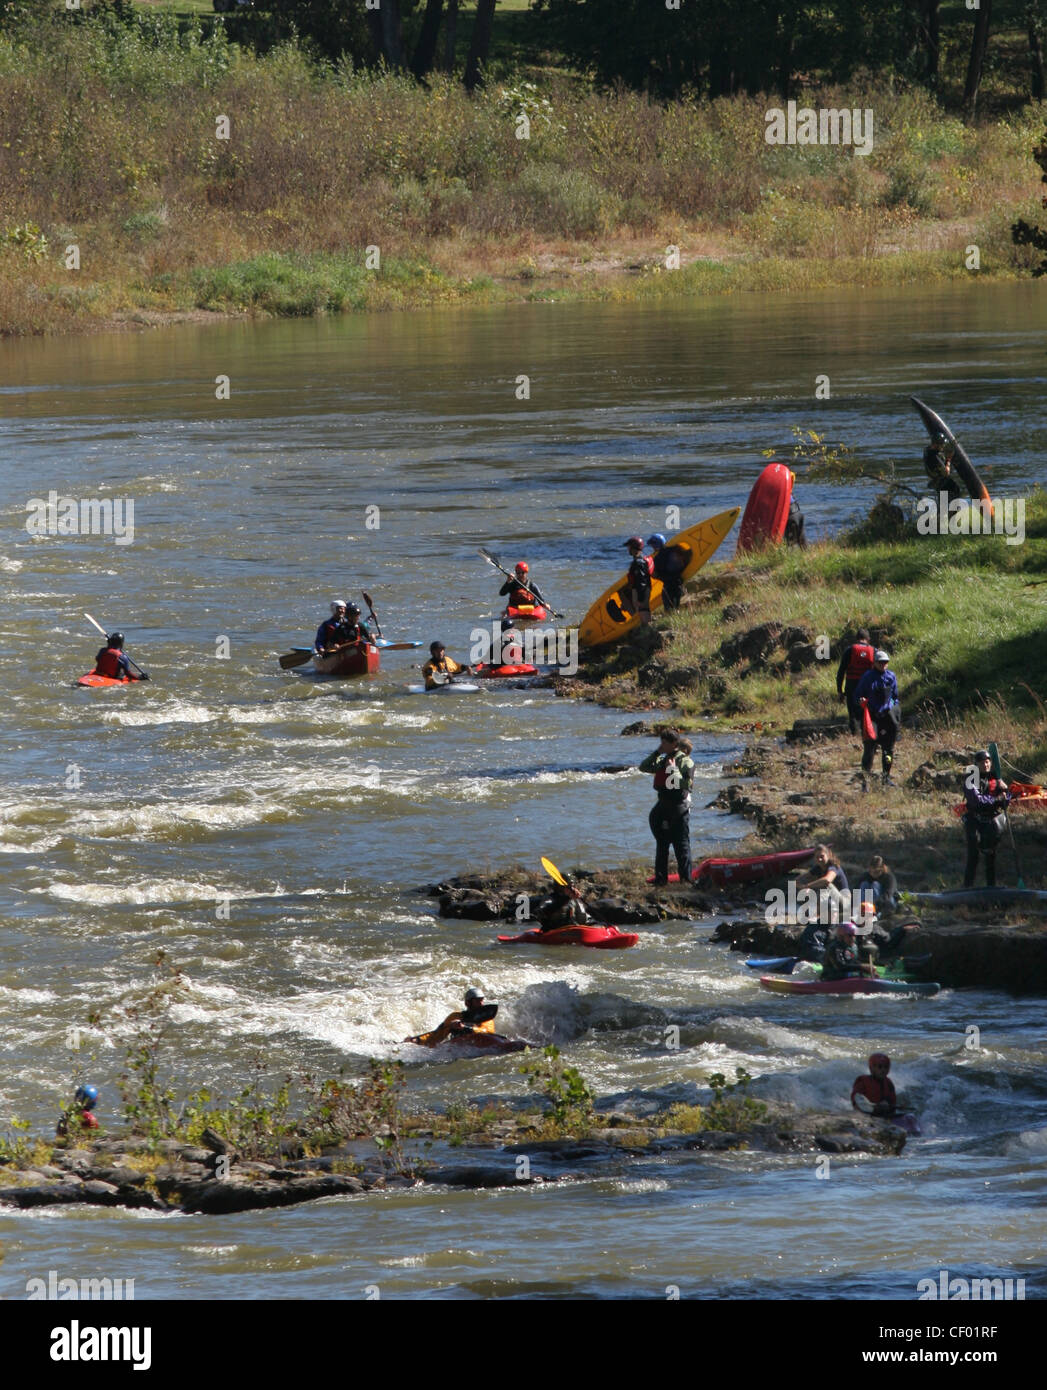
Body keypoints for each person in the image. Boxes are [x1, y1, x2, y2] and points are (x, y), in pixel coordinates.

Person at [639, 729, 694, 884]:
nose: (661, 745)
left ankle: (686, 880)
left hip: (678, 808)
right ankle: (660, 879)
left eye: (664, 742)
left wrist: (673, 770)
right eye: (661, 742)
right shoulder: (663, 759)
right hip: (663, 806)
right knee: (662, 845)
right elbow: (643, 767)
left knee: (681, 845)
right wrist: (657, 752)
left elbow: (687, 784)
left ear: (674, 744)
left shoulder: (685, 761)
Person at [962, 749, 1010, 888]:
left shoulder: (995, 778)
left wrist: (1006, 791)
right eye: (982, 762)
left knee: (990, 856)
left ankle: (991, 887)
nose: (986, 765)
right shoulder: (970, 778)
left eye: (988, 762)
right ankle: (967, 888)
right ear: (976, 764)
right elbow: (977, 800)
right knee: (973, 855)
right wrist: (996, 799)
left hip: (990, 822)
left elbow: (1006, 801)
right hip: (974, 820)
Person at [854, 650, 901, 788]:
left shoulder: (891, 676)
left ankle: (886, 777)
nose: (883, 665)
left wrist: (892, 707)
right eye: (880, 662)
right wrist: (861, 701)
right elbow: (857, 695)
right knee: (869, 748)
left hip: (887, 717)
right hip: (872, 717)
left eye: (885, 662)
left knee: (888, 749)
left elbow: (895, 696)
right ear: (874, 663)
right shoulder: (867, 677)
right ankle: (865, 781)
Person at [405, 987, 497, 1047]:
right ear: (467, 1003)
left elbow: (487, 1032)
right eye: (477, 1001)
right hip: (460, 1047)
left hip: (481, 1043)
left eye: (481, 1000)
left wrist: (465, 1027)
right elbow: (437, 1035)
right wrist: (417, 1040)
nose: (481, 1004)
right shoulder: (455, 1017)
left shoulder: (486, 1016)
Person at [836, 627, 876, 734]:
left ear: (857, 638)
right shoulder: (873, 650)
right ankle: (867, 733)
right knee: (867, 710)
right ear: (868, 639)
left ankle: (854, 733)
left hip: (852, 684)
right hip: (868, 685)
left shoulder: (850, 650)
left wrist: (839, 691)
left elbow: (841, 672)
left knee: (853, 713)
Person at [797, 844, 850, 923]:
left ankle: (816, 913)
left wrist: (807, 886)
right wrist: (801, 886)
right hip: (830, 901)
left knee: (825, 885)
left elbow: (827, 880)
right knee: (815, 888)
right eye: (817, 857)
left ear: (828, 855)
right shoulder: (817, 868)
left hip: (844, 901)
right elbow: (798, 879)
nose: (820, 859)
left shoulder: (834, 866)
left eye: (822, 856)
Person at [607, 537, 653, 624]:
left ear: (633, 548)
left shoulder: (638, 563)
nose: (628, 549)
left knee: (642, 608)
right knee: (641, 607)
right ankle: (641, 624)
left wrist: (640, 597)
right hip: (644, 588)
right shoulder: (643, 559)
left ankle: (645, 627)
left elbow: (641, 580)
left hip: (641, 589)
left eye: (629, 547)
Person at [647, 533, 688, 611]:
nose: (652, 548)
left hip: (668, 585)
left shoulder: (657, 559)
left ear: (656, 546)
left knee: (669, 607)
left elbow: (654, 574)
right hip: (678, 581)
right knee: (676, 606)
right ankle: (676, 618)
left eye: (652, 546)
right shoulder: (674, 549)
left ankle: (672, 620)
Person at [851, 1053, 897, 1118]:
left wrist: (889, 1106)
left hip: (883, 1116)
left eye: (886, 1067)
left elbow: (893, 1103)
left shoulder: (889, 1083)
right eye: (880, 1067)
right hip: (866, 1115)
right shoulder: (863, 1081)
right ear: (871, 1068)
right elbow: (856, 1100)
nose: (883, 1070)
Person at [923, 432, 964, 502]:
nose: (943, 446)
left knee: (943, 503)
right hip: (941, 482)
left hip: (935, 480)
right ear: (936, 444)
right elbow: (946, 472)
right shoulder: (936, 457)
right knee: (955, 491)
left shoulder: (927, 450)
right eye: (941, 444)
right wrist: (948, 460)